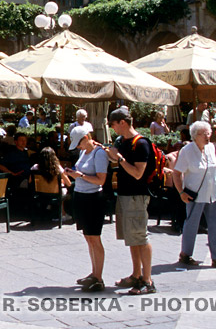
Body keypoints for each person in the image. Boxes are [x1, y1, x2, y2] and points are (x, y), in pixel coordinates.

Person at [104, 107, 156, 295]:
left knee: (141, 236)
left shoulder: (141, 143)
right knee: (131, 237)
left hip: (137, 195)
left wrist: (120, 159)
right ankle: (136, 274)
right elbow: (115, 158)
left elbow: (137, 173)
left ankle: (148, 280)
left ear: (123, 123)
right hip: (125, 195)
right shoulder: (122, 141)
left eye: (113, 124)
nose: (112, 128)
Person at [173, 122, 216, 270]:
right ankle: (185, 254)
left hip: (212, 194)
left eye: (208, 133)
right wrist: (181, 192)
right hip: (195, 194)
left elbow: (212, 169)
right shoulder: (187, 151)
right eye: (203, 133)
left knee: (215, 225)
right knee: (192, 225)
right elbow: (177, 173)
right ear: (195, 135)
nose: (207, 136)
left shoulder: (211, 148)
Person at [64, 131, 109, 292]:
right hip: (81, 196)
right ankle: (94, 273)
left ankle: (99, 277)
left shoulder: (99, 153)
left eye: (79, 143)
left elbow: (101, 179)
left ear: (87, 138)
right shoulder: (84, 152)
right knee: (88, 237)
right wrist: (72, 173)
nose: (78, 147)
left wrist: (80, 175)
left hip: (93, 198)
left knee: (95, 237)